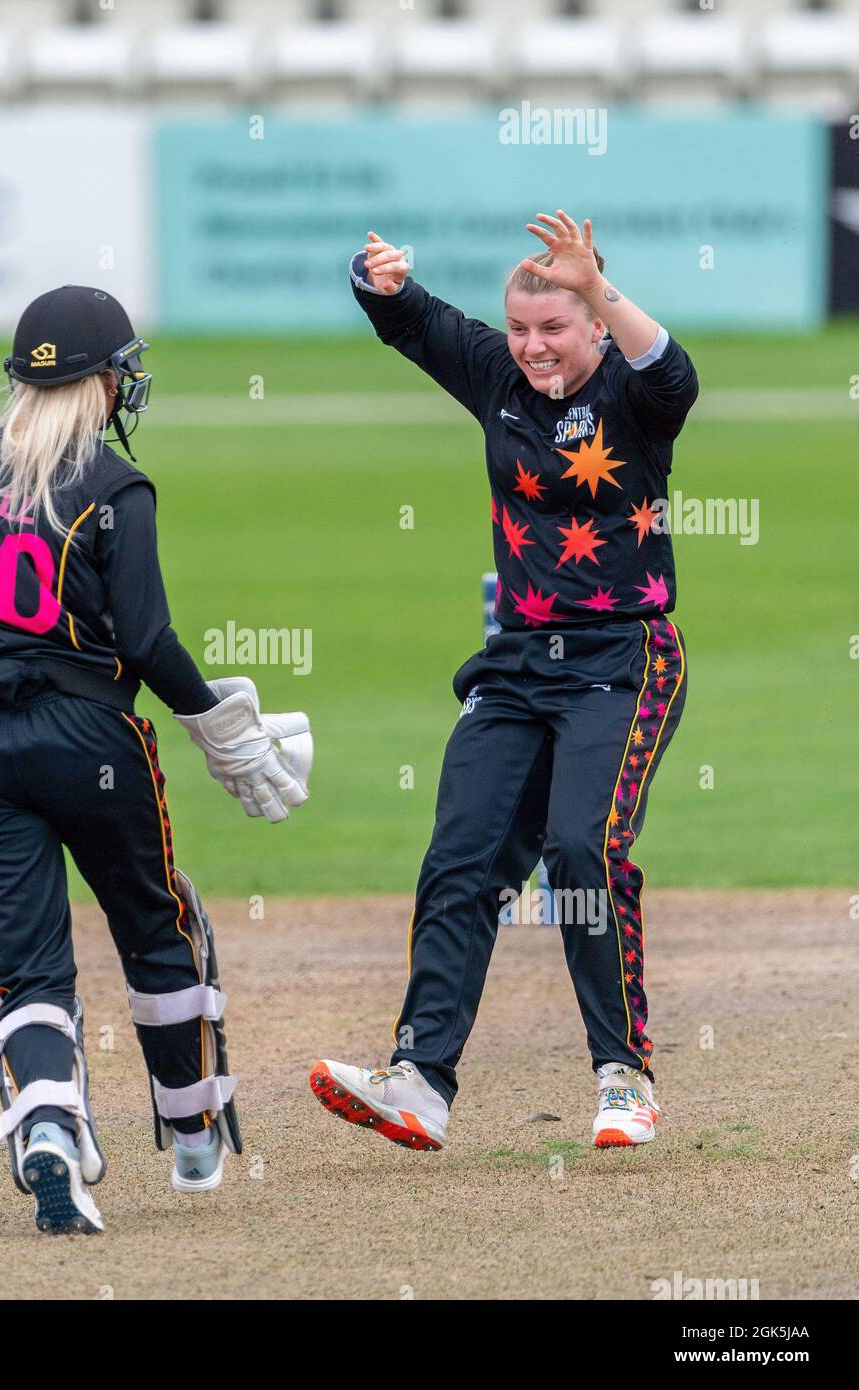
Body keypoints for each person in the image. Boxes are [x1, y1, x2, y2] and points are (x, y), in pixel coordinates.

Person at [0, 285, 312, 1233]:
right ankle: (190, 1138)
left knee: (28, 968)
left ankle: (49, 1130)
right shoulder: (113, 486)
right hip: (88, 737)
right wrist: (220, 722)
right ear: (101, 382)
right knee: (153, 925)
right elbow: (143, 637)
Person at [311, 212, 697, 1152]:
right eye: (520, 328)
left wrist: (594, 283)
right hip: (518, 663)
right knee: (463, 859)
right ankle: (421, 1081)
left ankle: (624, 1077)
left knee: (581, 849)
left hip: (623, 659)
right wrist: (381, 280)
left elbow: (675, 373)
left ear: (596, 327)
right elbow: (409, 322)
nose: (532, 347)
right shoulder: (497, 375)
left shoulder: (633, 396)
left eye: (553, 328)